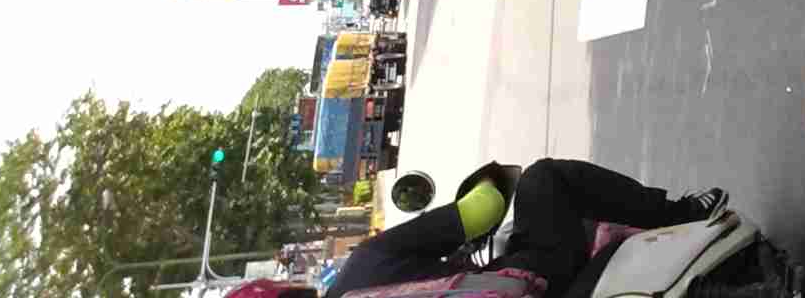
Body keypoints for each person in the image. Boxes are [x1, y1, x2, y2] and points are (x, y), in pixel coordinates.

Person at [294, 160, 727, 298]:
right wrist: (490, 185)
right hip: (537, 279)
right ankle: (680, 214)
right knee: (544, 177)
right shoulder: (365, 265)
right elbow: (482, 211)